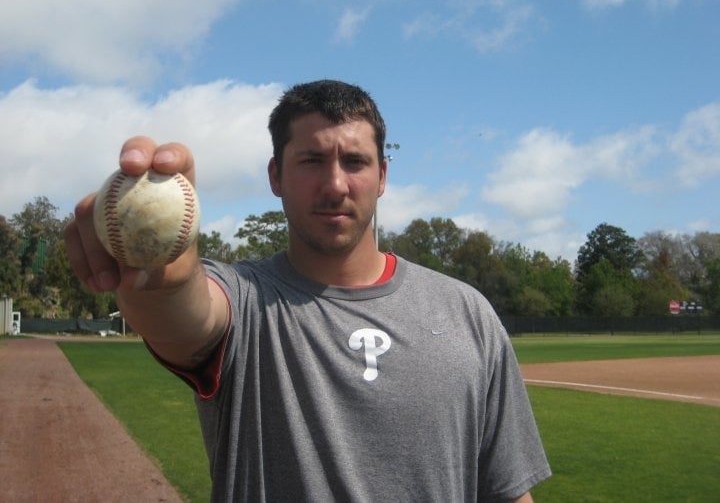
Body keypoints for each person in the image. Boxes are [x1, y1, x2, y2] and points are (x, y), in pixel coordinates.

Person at [65, 79, 551, 501]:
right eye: (312, 160)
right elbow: (185, 310)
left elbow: (506, 491)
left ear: (382, 177)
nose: (335, 184)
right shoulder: (247, 300)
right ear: (275, 176)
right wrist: (158, 271)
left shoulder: (468, 313)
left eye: (355, 162)